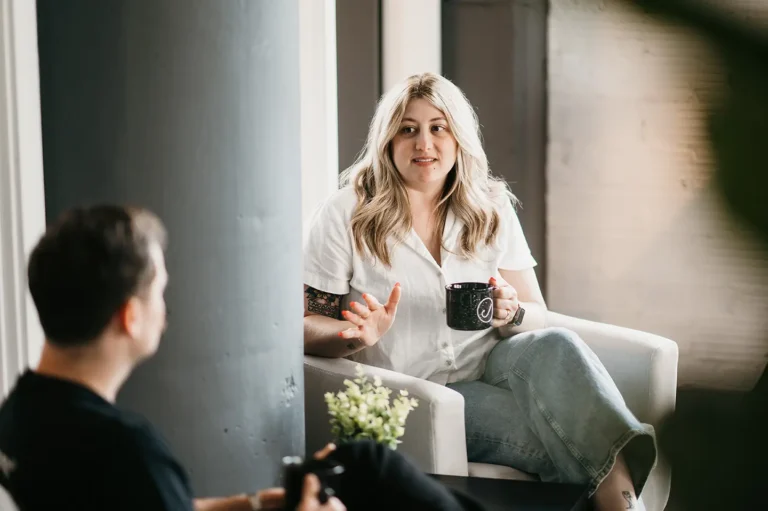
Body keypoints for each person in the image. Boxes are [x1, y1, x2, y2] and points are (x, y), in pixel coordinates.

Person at [303, 72, 657, 511]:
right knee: (567, 439)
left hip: (491, 364)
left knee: (558, 343)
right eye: (408, 130)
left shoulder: (490, 204)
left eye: (438, 128)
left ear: (459, 138)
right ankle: (626, 502)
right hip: (421, 391)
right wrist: (355, 336)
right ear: (387, 141)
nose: (424, 144)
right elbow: (307, 325)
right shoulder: (346, 213)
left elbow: (536, 312)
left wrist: (512, 311)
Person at [0, 205, 343, 511]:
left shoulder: (17, 414)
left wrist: (254, 504)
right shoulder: (127, 453)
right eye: (159, 292)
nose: (164, 310)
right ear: (130, 317)